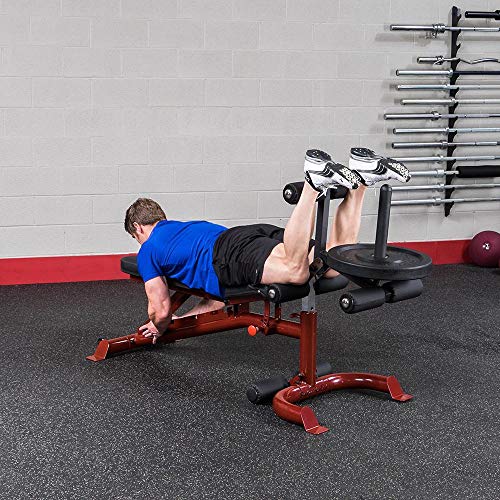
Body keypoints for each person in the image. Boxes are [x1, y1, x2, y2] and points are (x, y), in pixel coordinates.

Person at [124, 148, 410, 343]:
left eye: (135, 236)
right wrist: (181, 321)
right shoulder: (184, 228)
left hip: (229, 254)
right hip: (245, 238)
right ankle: (361, 179)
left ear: (138, 228)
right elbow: (215, 298)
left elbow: (160, 309)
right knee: (332, 263)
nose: (138, 243)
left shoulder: (149, 250)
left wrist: (159, 326)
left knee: (296, 271)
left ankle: (313, 184)